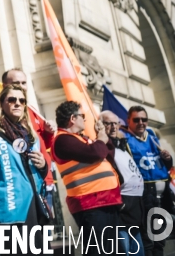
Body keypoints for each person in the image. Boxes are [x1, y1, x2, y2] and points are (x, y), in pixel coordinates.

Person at [52, 101, 122, 256]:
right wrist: (100, 140)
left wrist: (102, 137)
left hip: (105, 200)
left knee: (114, 251)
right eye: (82, 116)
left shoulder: (81, 139)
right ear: (72, 118)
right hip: (90, 203)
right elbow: (95, 154)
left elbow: (107, 155)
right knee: (97, 250)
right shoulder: (63, 139)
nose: (85, 120)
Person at [0, 85, 48, 254]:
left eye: (21, 101)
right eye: (12, 100)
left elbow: (39, 174)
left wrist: (42, 164)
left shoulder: (30, 136)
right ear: (2, 104)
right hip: (10, 208)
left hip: (33, 205)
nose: (17, 103)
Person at [0, 68, 57, 212]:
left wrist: (48, 133)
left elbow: (41, 145)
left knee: (44, 229)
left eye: (24, 82)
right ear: (5, 86)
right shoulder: (0, 112)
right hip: (18, 187)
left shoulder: (31, 110)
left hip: (42, 177)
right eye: (16, 83)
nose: (21, 87)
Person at [125, 105, 172, 256]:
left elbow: (164, 166)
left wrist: (168, 159)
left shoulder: (152, 136)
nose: (141, 123)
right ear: (128, 121)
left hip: (162, 196)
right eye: (136, 119)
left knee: (160, 237)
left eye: (144, 119)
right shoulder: (125, 139)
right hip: (145, 195)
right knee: (148, 239)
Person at [100, 110, 145, 256]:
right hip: (121, 212)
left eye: (116, 123)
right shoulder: (102, 147)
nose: (113, 127)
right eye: (108, 123)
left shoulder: (121, 144)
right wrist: (121, 204)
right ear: (100, 125)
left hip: (135, 210)